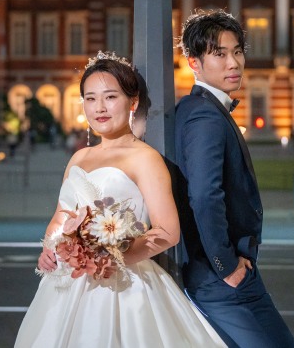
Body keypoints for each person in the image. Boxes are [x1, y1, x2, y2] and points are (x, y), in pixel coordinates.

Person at [15, 52, 226, 347]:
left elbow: (168, 232)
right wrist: (50, 248)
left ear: (133, 102)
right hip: (68, 281)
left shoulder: (145, 158)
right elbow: (62, 215)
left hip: (125, 281)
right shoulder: (79, 157)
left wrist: (113, 258)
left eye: (110, 97)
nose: (99, 107)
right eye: (90, 98)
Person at [175, 9, 294, 348]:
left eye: (237, 51)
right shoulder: (204, 115)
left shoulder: (196, 108)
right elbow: (204, 195)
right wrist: (226, 265)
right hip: (221, 277)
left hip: (225, 274)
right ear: (194, 63)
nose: (234, 63)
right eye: (219, 54)